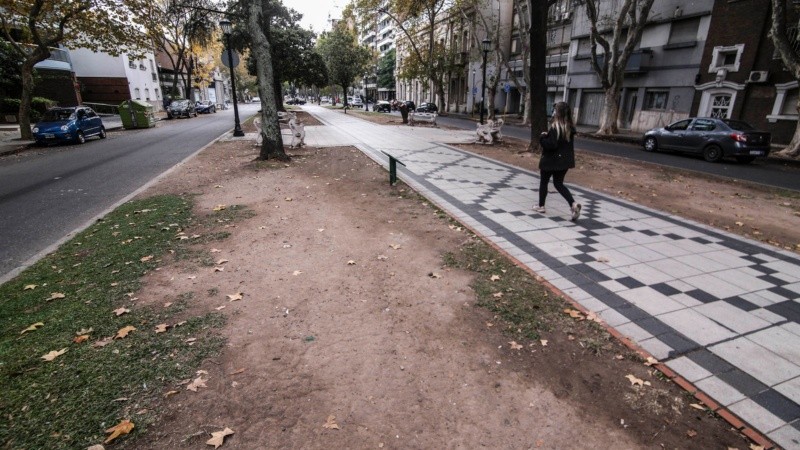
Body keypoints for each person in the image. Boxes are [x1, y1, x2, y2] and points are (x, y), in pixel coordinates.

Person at [536, 101, 581, 221]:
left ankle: (541, 206)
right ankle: (573, 204)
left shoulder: (555, 127)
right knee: (558, 183)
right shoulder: (570, 127)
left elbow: (552, 145)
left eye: (555, 110)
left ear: (558, 112)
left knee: (544, 182)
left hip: (550, 160)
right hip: (564, 162)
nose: (554, 112)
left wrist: (542, 137)